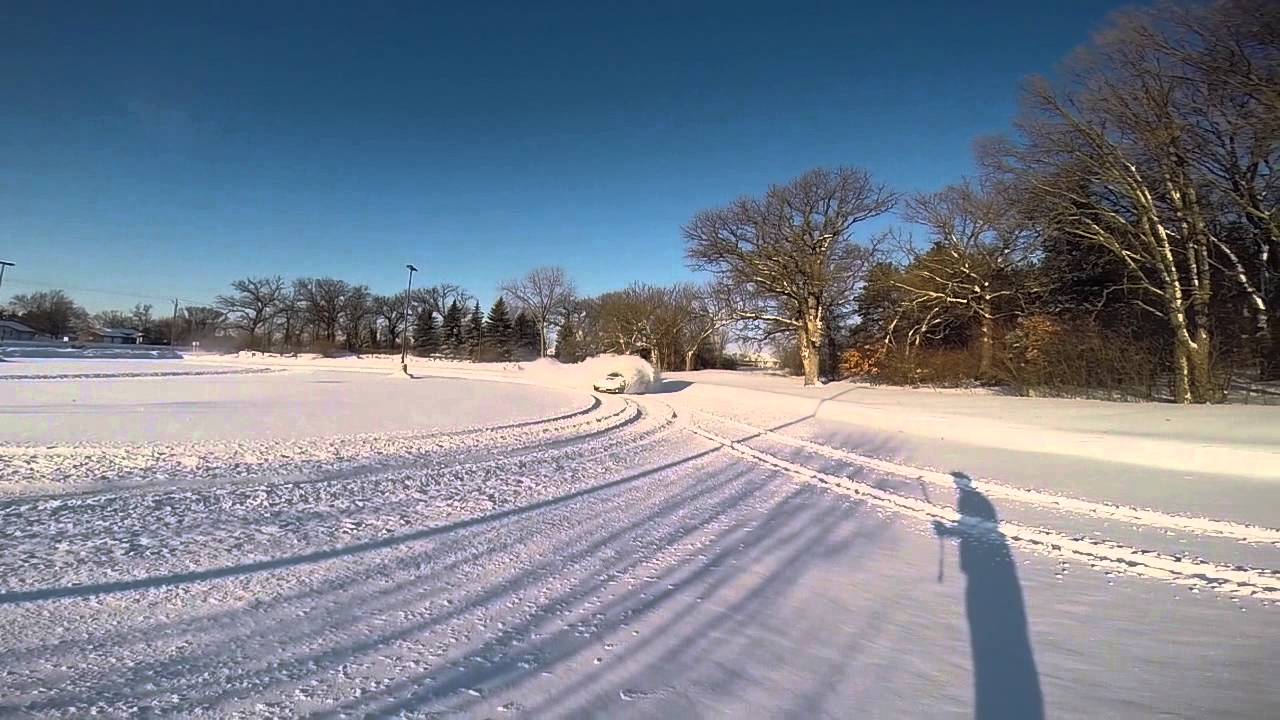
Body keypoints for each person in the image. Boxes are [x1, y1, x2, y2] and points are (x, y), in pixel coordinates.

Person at [933, 472, 1044, 720]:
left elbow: (971, 530)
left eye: (957, 484)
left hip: (983, 570)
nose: (957, 488)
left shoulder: (971, 501)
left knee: (988, 619)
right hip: (985, 568)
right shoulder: (976, 500)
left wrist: (945, 531)